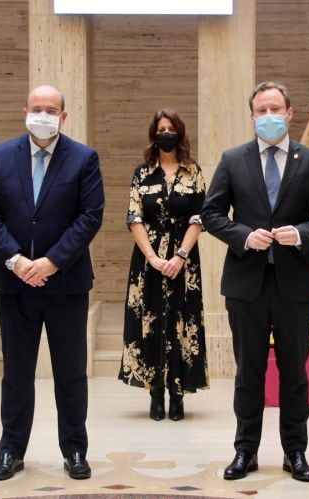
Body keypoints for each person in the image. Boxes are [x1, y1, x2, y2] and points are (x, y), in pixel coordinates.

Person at [201, 81, 309, 483]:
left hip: (295, 285)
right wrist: (244, 236)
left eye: (275, 109)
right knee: (249, 372)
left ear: (289, 113)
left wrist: (301, 234)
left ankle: (295, 451)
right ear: (252, 115)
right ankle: (245, 451)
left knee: (294, 372)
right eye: (261, 110)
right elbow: (211, 214)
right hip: (246, 285)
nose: (268, 116)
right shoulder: (233, 160)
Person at [0, 85, 104, 481]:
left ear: (63, 117)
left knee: (71, 374)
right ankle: (10, 450)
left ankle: (75, 450)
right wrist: (16, 261)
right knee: (16, 373)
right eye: (37, 108)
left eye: (51, 109)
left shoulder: (83, 158)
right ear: (25, 113)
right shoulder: (1, 156)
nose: (43, 115)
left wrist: (51, 262)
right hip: (15, 284)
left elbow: (90, 216)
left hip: (66, 285)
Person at [119, 108, 209, 422]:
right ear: (153, 135)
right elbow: (134, 217)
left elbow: (200, 217)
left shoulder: (193, 171)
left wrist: (180, 256)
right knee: (151, 322)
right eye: (161, 129)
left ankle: (178, 394)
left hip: (184, 260)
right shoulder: (142, 172)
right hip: (148, 260)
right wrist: (153, 258)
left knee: (182, 323)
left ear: (179, 133)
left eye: (171, 129)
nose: (166, 134)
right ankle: (156, 392)